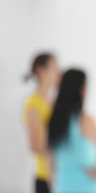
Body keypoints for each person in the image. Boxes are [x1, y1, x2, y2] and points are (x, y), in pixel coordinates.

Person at [48, 69, 96, 193]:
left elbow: (50, 162)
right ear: (80, 89)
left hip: (62, 185)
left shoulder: (54, 121)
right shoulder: (85, 120)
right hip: (87, 187)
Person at [23, 53, 59, 193]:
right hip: (45, 176)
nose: (57, 71)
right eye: (54, 67)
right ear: (41, 71)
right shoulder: (33, 104)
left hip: (58, 175)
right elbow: (35, 145)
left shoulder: (51, 102)